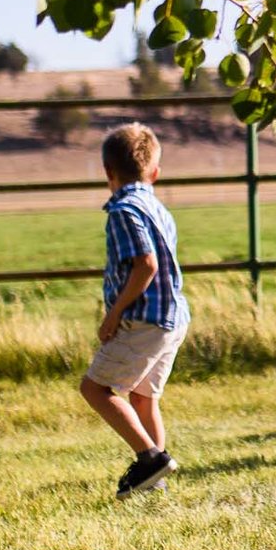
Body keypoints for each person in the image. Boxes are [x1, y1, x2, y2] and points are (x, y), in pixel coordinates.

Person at [87, 123, 190, 499]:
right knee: (145, 397)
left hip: (144, 319)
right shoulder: (157, 207)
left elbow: (145, 265)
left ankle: (149, 458)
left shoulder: (123, 211)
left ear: (108, 173)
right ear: (155, 173)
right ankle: (154, 480)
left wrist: (113, 314)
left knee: (96, 388)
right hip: (172, 318)